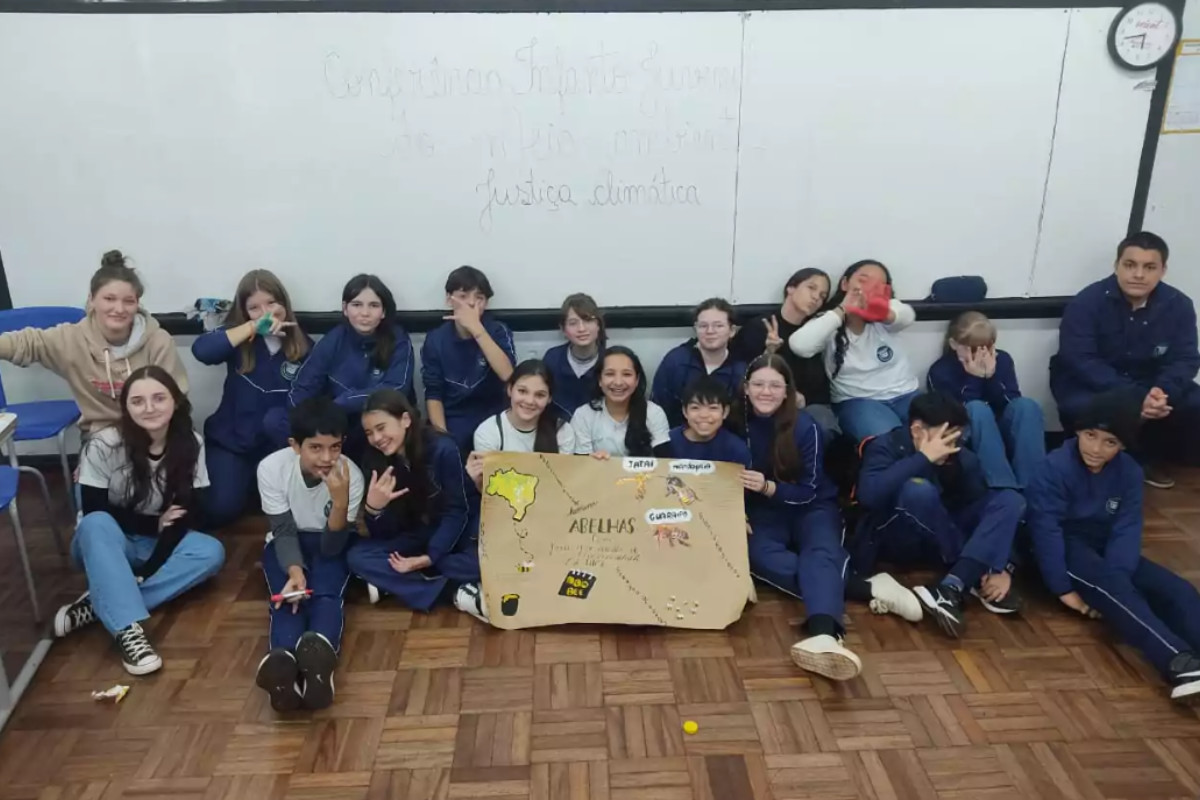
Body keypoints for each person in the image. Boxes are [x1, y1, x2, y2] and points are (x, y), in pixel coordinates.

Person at [1028, 389, 1200, 701]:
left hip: (1105, 544)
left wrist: (1121, 571)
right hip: (1066, 545)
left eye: (1110, 442)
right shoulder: (1052, 468)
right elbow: (1046, 530)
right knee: (1116, 590)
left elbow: (1127, 526)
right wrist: (1062, 589)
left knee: (1178, 591)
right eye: (1091, 435)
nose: (1096, 448)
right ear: (1079, 430)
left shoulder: (1130, 472)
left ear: (1122, 445)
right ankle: (1178, 661)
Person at [51, 366, 223, 676]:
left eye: (159, 398)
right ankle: (129, 630)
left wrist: (148, 569)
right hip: (102, 541)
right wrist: (152, 524)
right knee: (98, 523)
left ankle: (102, 602)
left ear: (175, 401)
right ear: (126, 407)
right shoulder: (103, 444)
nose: (149, 408)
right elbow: (93, 509)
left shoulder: (191, 442)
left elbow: (184, 514)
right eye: (138, 401)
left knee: (211, 552)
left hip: (148, 543)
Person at [853, 392, 1025, 638]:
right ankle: (973, 573)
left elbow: (983, 514)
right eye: (946, 436)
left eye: (958, 436)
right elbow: (868, 496)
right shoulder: (885, 446)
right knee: (918, 489)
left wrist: (1003, 564)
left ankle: (952, 585)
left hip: (944, 539)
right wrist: (923, 458)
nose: (953, 445)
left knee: (1010, 500)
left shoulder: (961, 458)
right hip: (897, 538)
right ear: (917, 431)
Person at [738, 354, 862, 679]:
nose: (766, 392)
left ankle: (825, 635)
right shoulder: (735, 423)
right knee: (755, 553)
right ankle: (867, 588)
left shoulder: (808, 428)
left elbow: (808, 490)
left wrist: (767, 487)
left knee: (819, 554)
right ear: (746, 388)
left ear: (787, 391)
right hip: (765, 512)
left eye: (775, 385)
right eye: (759, 384)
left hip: (812, 506)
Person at [1050, 231, 1200, 490]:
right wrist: (1134, 397)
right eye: (1130, 265)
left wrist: (1162, 391)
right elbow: (1080, 359)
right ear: (1117, 266)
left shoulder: (1179, 305)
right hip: (1092, 383)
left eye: (1149, 267)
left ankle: (1147, 458)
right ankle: (1102, 463)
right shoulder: (1088, 301)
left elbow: (1186, 358)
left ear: (1163, 270)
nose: (1138, 274)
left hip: (1150, 383)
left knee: (1193, 403)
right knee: (1080, 405)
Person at [0, 249, 188, 436]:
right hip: (102, 436)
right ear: (92, 300)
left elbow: (176, 396)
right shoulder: (72, 339)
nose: (119, 309)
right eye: (109, 299)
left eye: (128, 301)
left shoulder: (158, 341)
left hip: (152, 433)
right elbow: (27, 342)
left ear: (137, 304)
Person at [254, 397, 364, 712]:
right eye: (316, 448)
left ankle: (319, 663)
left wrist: (340, 503)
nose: (327, 457)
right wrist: (294, 570)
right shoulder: (272, 468)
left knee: (327, 595)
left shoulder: (350, 476)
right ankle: (283, 666)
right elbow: (283, 530)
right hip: (288, 540)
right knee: (288, 599)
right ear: (295, 445)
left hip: (331, 540)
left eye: (335, 447)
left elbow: (332, 547)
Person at [191, 269, 311, 526]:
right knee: (221, 508)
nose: (265, 312)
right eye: (254, 308)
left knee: (291, 509)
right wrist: (252, 327)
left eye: (271, 303)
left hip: (276, 447)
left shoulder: (304, 346)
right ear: (244, 312)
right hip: (232, 443)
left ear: (284, 304)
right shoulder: (238, 339)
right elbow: (201, 351)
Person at [346, 390, 477, 617]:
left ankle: (405, 582)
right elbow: (385, 534)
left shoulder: (442, 449)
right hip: (417, 534)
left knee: (483, 560)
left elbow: (458, 511)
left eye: (381, 428)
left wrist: (429, 558)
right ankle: (453, 590)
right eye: (369, 432)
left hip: (456, 531)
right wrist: (374, 509)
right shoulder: (375, 461)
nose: (376, 438)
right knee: (357, 557)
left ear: (405, 420)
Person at [788, 260, 919, 443]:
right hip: (858, 402)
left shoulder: (890, 313)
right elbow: (799, 345)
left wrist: (881, 312)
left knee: (941, 433)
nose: (868, 289)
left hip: (907, 395)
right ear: (844, 284)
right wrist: (843, 310)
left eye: (877, 285)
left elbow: (906, 316)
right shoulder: (829, 321)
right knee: (891, 443)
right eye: (863, 281)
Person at [927, 311, 1044, 489]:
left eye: (987, 347)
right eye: (973, 349)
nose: (980, 355)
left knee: (1027, 406)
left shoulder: (1002, 359)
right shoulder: (940, 371)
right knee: (977, 408)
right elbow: (954, 415)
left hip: (999, 424)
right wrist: (974, 378)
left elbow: (1010, 401)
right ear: (954, 344)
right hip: (964, 431)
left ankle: (1034, 487)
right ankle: (1003, 488)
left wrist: (991, 376)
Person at [732, 268, 838, 439]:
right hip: (764, 401)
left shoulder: (815, 332)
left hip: (806, 406)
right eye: (811, 288)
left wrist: (803, 400)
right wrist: (769, 352)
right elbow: (740, 374)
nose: (816, 297)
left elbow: (820, 387)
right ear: (791, 288)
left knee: (822, 428)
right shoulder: (760, 326)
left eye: (823, 295)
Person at [421, 266, 517, 457]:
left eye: (479, 298)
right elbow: (434, 394)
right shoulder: (435, 339)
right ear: (449, 299)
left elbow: (508, 375)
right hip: (454, 417)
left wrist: (477, 330)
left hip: (493, 414)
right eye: (463, 296)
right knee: (444, 448)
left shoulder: (497, 330)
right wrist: (442, 435)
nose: (471, 303)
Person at [653, 298, 747, 430]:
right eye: (703, 326)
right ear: (695, 329)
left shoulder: (741, 369)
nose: (710, 331)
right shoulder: (675, 362)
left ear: (732, 331)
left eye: (718, 325)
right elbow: (658, 408)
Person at [571, 346, 671, 459]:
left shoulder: (654, 413)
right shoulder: (583, 415)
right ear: (599, 379)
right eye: (610, 374)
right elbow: (580, 466)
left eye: (627, 374)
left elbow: (664, 462)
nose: (618, 382)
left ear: (637, 380)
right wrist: (594, 461)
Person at [544, 293, 606, 421]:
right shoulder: (552, 359)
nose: (581, 329)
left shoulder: (611, 361)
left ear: (598, 325)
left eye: (588, 320)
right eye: (573, 323)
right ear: (563, 329)